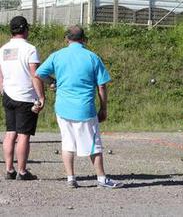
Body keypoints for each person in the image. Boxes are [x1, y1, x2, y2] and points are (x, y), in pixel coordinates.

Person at [35, 25, 123, 189]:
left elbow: (39, 73)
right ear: (84, 39)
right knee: (93, 144)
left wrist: (53, 82)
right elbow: (102, 86)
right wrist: (103, 108)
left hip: (62, 108)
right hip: (85, 108)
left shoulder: (57, 55)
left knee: (67, 143)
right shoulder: (92, 57)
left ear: (66, 39)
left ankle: (71, 178)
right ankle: (102, 178)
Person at [0, 16, 45, 180]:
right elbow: (35, 75)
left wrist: (3, 90)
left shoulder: (3, 49)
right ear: (25, 29)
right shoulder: (30, 49)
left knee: (10, 133)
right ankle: (22, 171)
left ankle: (9, 169)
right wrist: (41, 96)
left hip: (9, 94)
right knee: (23, 135)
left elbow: (1, 74)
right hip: (25, 96)